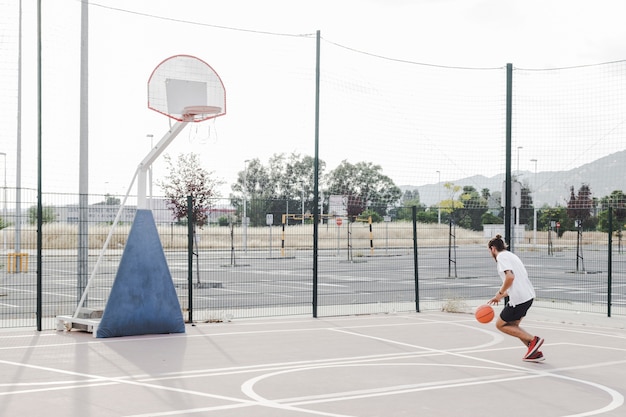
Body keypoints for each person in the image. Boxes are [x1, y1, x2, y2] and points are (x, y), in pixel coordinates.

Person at [487, 234, 544, 362]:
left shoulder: (501, 257)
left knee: (500, 325)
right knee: (513, 326)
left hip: (519, 299)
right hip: (528, 296)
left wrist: (500, 293)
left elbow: (510, 278)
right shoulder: (512, 256)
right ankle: (534, 352)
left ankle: (534, 340)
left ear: (493, 249)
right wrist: (500, 297)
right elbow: (517, 282)